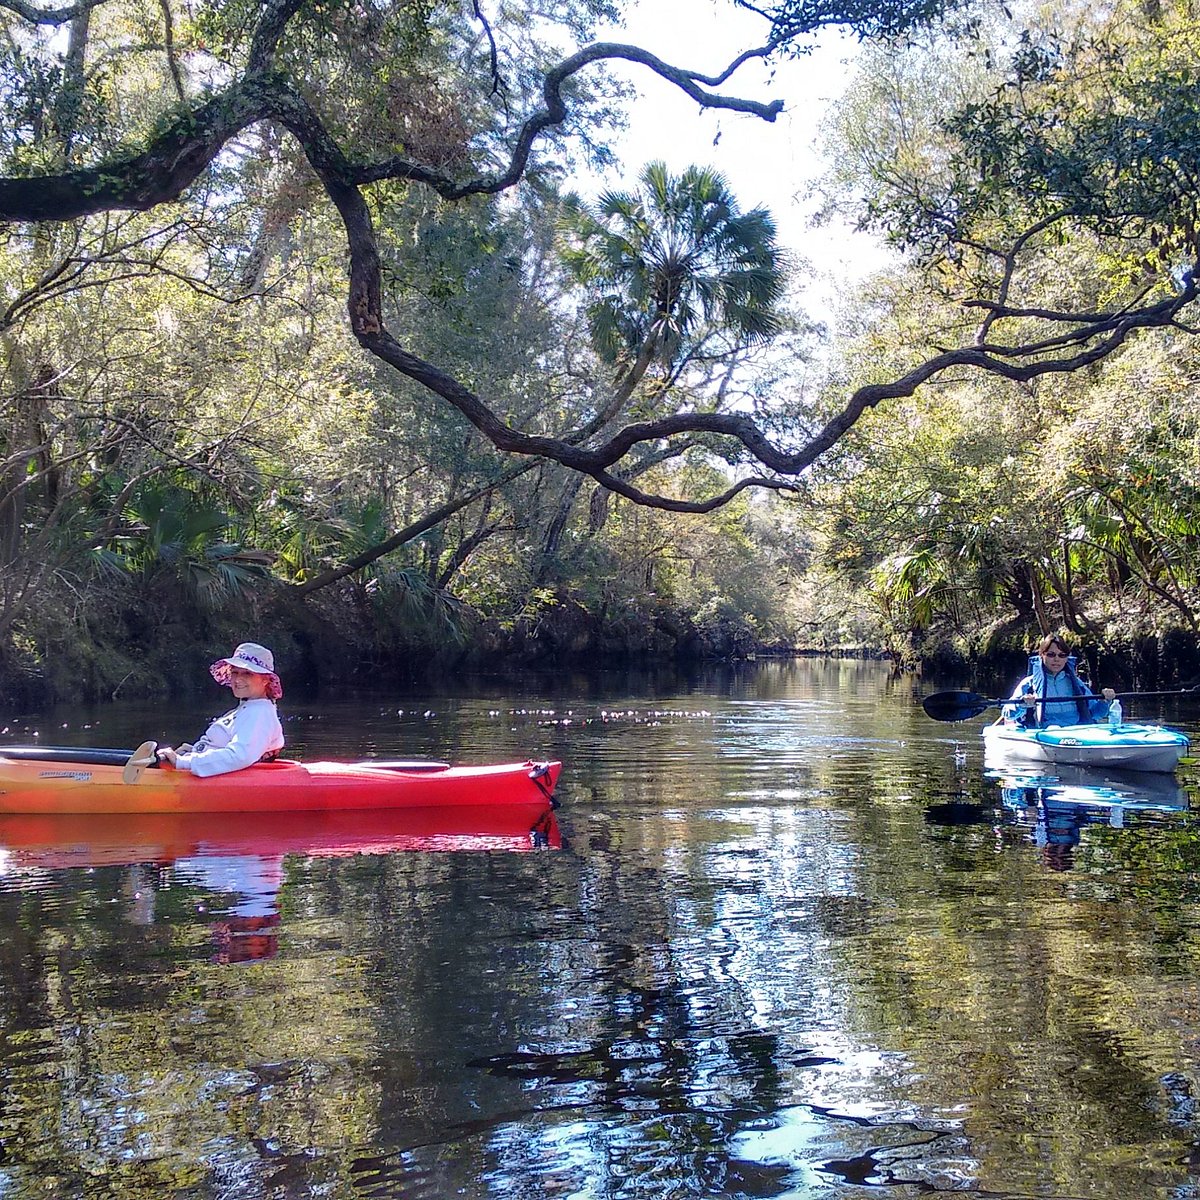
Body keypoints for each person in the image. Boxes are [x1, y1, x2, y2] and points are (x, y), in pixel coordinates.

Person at [158, 642, 285, 777]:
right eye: (235, 672)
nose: (237, 680)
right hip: (197, 765)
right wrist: (191, 751)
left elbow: (239, 756)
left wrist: (181, 762)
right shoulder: (249, 708)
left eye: (247, 673)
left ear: (265, 679)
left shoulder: (259, 713)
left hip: (209, 779)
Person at [1002, 634, 1116, 728]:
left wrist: (1105, 701)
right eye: (1051, 655)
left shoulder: (1077, 684)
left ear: (1067, 658)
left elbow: (1095, 713)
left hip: (1076, 732)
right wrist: (1021, 705)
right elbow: (1007, 713)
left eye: (1062, 655)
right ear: (1042, 655)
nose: (1057, 659)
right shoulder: (1028, 684)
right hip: (1045, 733)